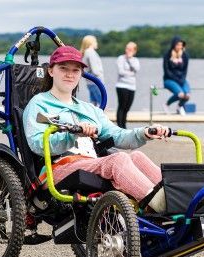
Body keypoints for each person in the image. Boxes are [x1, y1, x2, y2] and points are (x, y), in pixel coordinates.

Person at [23, 45, 169, 212]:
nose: (70, 74)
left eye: (75, 70)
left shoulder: (89, 109)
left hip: (90, 164)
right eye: (63, 69)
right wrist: (73, 135)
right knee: (118, 159)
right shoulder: (38, 103)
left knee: (137, 156)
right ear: (51, 71)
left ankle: (178, 196)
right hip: (58, 167)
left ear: (81, 74)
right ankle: (159, 205)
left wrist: (145, 133)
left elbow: (117, 135)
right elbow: (37, 144)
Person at [162, 36, 190, 115]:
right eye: (178, 45)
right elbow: (166, 71)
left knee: (187, 95)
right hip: (169, 79)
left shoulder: (185, 56)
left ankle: (179, 106)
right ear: (174, 45)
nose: (179, 47)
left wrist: (182, 79)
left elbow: (185, 70)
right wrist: (176, 79)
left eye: (181, 45)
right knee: (180, 94)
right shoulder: (167, 55)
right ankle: (166, 104)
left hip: (181, 79)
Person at [115, 42, 140, 128]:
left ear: (134, 51)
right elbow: (121, 72)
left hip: (132, 86)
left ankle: (124, 124)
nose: (128, 51)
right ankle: (120, 126)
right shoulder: (120, 58)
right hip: (121, 85)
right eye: (127, 48)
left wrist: (129, 59)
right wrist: (131, 73)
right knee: (122, 106)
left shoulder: (135, 60)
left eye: (130, 49)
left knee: (127, 107)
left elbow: (136, 69)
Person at [80, 35, 104, 106]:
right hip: (96, 83)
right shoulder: (90, 52)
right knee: (102, 103)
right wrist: (101, 78)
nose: (97, 43)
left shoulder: (86, 52)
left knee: (93, 104)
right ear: (91, 42)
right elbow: (95, 70)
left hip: (90, 83)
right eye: (95, 41)